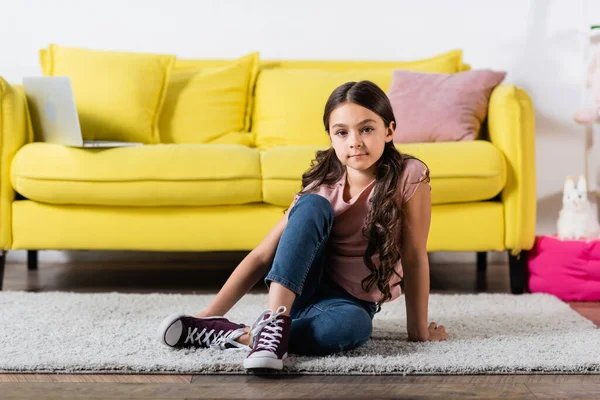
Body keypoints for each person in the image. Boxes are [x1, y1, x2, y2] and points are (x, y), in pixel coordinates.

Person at [157, 80, 449, 371]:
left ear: (389, 130)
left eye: (367, 129)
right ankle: (274, 322)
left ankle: (245, 337)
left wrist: (418, 332)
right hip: (297, 290)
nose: (355, 141)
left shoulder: (410, 176)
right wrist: (209, 314)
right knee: (312, 205)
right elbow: (262, 255)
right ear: (331, 138)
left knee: (355, 329)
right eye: (342, 132)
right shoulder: (321, 186)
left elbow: (413, 255)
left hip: (348, 304)